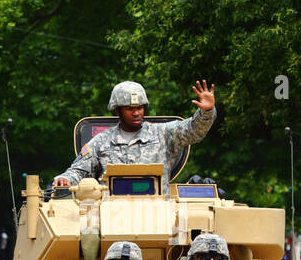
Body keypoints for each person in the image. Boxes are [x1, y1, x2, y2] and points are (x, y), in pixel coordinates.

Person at [52, 79, 217, 197]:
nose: (137, 113)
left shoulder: (163, 134)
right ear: (117, 111)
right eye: (130, 109)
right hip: (111, 218)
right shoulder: (100, 141)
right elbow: (79, 170)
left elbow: (193, 130)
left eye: (140, 107)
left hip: (158, 217)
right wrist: (66, 178)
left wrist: (207, 112)